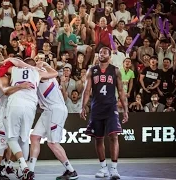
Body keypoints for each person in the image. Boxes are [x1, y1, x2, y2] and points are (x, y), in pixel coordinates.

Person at [0, 58, 58, 180]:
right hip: (30, 105)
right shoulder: (38, 72)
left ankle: (23, 166)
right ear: (34, 65)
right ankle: (22, 171)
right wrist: (44, 64)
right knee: (24, 139)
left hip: (15, 103)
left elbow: (0, 70)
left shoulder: (14, 69)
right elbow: (54, 73)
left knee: (12, 138)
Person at [80, 47, 129, 179]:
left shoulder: (115, 70)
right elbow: (87, 90)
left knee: (114, 136)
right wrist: (83, 106)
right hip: (96, 107)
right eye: (100, 52)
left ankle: (114, 169)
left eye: (105, 52)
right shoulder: (92, 70)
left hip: (110, 107)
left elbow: (121, 91)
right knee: (98, 138)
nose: (102, 54)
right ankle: (103, 169)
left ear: (110, 55)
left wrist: (125, 109)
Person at [29, 61, 78, 180]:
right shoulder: (45, 72)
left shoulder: (40, 74)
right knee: (34, 137)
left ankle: (71, 171)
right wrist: (45, 63)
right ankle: (30, 171)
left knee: (52, 143)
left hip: (55, 110)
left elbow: (54, 72)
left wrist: (42, 65)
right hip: (47, 110)